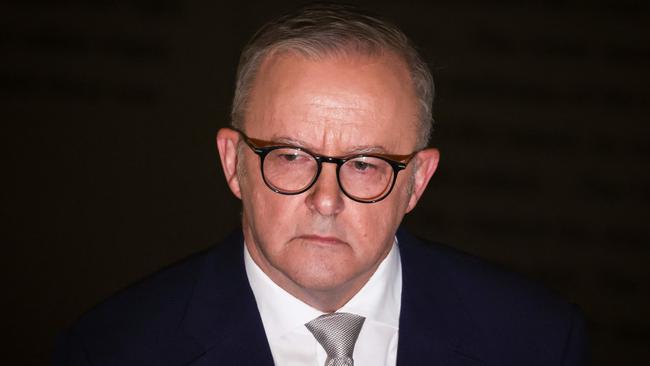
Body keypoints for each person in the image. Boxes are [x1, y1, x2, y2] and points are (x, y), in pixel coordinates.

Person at [53, 4, 588, 366]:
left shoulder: (537, 341)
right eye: (289, 156)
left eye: (364, 164)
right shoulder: (111, 349)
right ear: (233, 162)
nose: (325, 200)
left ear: (417, 181)